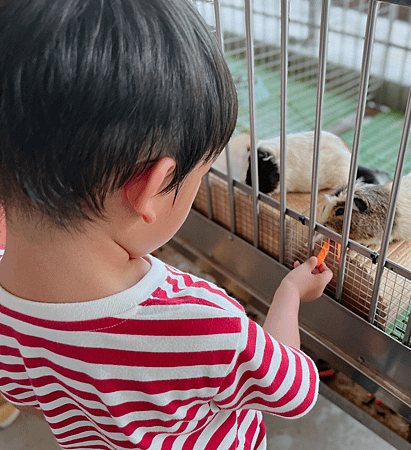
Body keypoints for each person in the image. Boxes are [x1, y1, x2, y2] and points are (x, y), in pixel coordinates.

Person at [0, 1, 332, 449]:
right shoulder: (202, 322)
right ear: (152, 187)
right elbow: (291, 392)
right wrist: (290, 292)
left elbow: (22, 392)